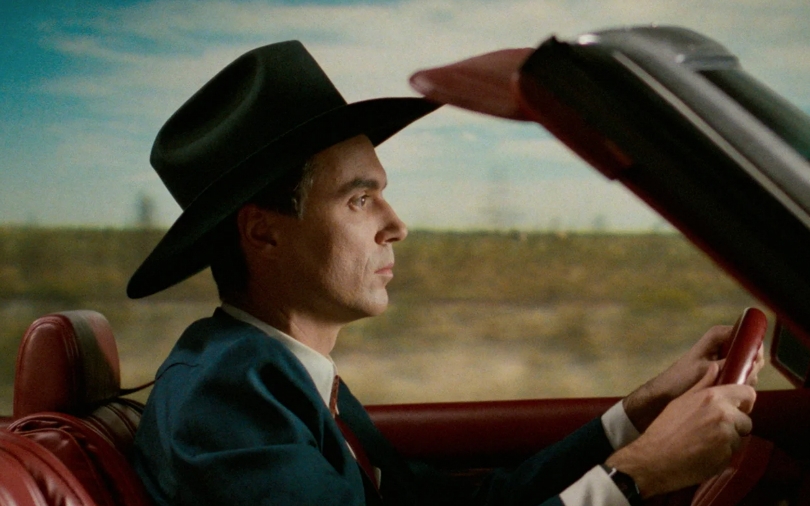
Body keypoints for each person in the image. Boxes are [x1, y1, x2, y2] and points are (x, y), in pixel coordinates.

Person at [130, 40, 763, 506]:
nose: (396, 225)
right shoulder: (223, 399)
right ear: (263, 232)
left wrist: (640, 413)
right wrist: (638, 474)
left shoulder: (282, 373)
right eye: (359, 199)